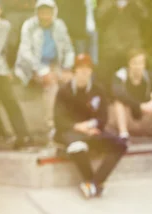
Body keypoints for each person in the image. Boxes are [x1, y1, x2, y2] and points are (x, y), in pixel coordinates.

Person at [53, 53, 127, 198]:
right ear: (75, 70)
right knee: (78, 146)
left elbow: (103, 117)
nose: (84, 72)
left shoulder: (97, 90)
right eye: (81, 68)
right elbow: (59, 120)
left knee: (120, 145)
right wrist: (77, 127)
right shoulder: (64, 91)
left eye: (87, 68)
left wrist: (90, 126)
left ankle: (94, 183)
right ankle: (94, 185)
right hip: (70, 131)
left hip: (91, 131)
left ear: (91, 71)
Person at [14, 0, 74, 135]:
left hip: (55, 66)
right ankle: (51, 126)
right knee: (51, 84)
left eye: (48, 11)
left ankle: (73, 123)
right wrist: (40, 70)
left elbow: (69, 50)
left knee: (72, 82)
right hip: (31, 68)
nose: (45, 15)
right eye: (42, 11)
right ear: (37, 12)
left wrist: (67, 68)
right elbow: (25, 53)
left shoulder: (60, 25)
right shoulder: (29, 26)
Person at [108, 48, 152, 141]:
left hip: (145, 116)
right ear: (129, 64)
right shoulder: (121, 75)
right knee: (118, 102)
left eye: (140, 63)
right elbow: (117, 93)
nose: (137, 66)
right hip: (128, 117)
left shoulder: (149, 76)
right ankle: (123, 134)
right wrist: (139, 106)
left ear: (144, 64)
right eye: (134, 63)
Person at [0, 0, 32, 149]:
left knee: (10, 103)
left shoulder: (4, 25)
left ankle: (23, 135)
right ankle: (2, 134)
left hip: (0, 71)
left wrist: (8, 68)